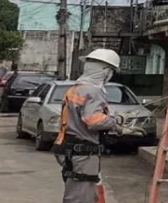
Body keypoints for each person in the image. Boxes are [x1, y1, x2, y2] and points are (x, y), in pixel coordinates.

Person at [53, 49, 142, 203]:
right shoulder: (93, 91)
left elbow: (82, 118)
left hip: (70, 148)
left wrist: (117, 124)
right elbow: (92, 120)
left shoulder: (76, 88)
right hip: (82, 152)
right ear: (106, 72)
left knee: (89, 193)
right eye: (112, 72)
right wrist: (115, 122)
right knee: (81, 196)